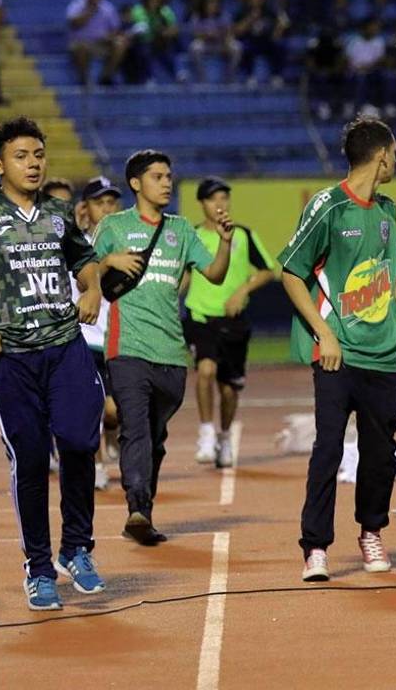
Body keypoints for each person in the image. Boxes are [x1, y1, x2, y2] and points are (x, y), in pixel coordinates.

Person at [0, 117, 108, 611]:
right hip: (11, 357)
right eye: (21, 156)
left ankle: (77, 549)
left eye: (38, 155)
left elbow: (84, 259)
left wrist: (91, 286)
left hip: (65, 346)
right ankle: (37, 566)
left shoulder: (58, 213)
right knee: (30, 460)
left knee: (79, 441)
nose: (33, 164)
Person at [277, 117, 396, 582]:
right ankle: (316, 546)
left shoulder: (387, 210)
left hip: (384, 353)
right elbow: (290, 272)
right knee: (327, 448)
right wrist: (323, 335)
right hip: (337, 353)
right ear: (383, 154)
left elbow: (395, 271)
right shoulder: (327, 207)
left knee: (380, 452)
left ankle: (371, 531)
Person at [92, 151, 234, 546]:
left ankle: (144, 511)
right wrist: (109, 262)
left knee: (154, 438)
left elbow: (216, 274)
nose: (167, 183)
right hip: (127, 348)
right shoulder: (113, 227)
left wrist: (225, 242)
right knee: (134, 428)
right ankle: (137, 507)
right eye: (157, 176)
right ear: (136, 184)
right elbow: (83, 269)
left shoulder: (182, 230)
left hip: (171, 354)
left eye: (169, 176)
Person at [184, 177, 278, 467]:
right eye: (213, 199)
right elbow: (185, 275)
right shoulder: (192, 236)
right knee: (205, 370)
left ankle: (224, 437)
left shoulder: (243, 235)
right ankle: (206, 433)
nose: (220, 204)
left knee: (229, 389)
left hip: (234, 321)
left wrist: (242, 290)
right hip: (200, 316)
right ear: (202, 204)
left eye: (224, 198)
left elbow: (267, 270)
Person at [75, 177, 125, 482]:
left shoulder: (128, 241)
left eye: (111, 202)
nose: (106, 209)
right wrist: (106, 262)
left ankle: (111, 434)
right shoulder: (77, 242)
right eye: (99, 202)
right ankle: (95, 466)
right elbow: (79, 284)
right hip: (85, 337)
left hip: (117, 339)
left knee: (114, 411)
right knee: (93, 406)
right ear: (86, 208)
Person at [67, 0, 127, 87]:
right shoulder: (76, 5)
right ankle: (85, 79)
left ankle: (106, 77)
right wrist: (89, 12)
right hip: (80, 42)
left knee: (121, 44)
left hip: (101, 42)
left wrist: (109, 37)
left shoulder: (108, 7)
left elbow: (116, 30)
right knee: (80, 47)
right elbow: (74, 24)